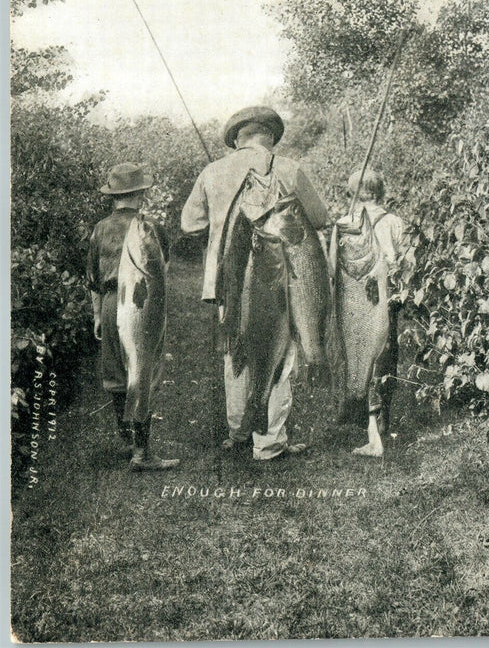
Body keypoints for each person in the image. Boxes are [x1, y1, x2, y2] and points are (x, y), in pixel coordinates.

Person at [181, 106, 329, 461]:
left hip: (227, 282)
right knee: (278, 351)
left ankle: (239, 431)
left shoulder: (212, 171)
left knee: (236, 351)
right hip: (276, 282)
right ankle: (269, 440)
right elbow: (321, 219)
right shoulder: (289, 168)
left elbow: (189, 225)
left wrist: (219, 219)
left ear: (236, 139)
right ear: (271, 136)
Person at [87, 162, 179, 471]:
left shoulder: (100, 229)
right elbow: (162, 269)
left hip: (114, 302)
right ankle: (142, 452)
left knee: (116, 374)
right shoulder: (151, 226)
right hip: (143, 302)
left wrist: (99, 315)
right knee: (144, 372)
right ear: (140, 193)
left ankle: (127, 441)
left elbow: (92, 278)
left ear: (113, 195)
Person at [336, 167, 405, 456]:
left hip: (356, 304)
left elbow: (333, 268)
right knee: (383, 362)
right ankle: (377, 432)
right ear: (381, 191)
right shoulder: (394, 221)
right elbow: (403, 261)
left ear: (351, 193)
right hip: (384, 301)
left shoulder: (343, 222)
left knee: (360, 359)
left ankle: (374, 436)